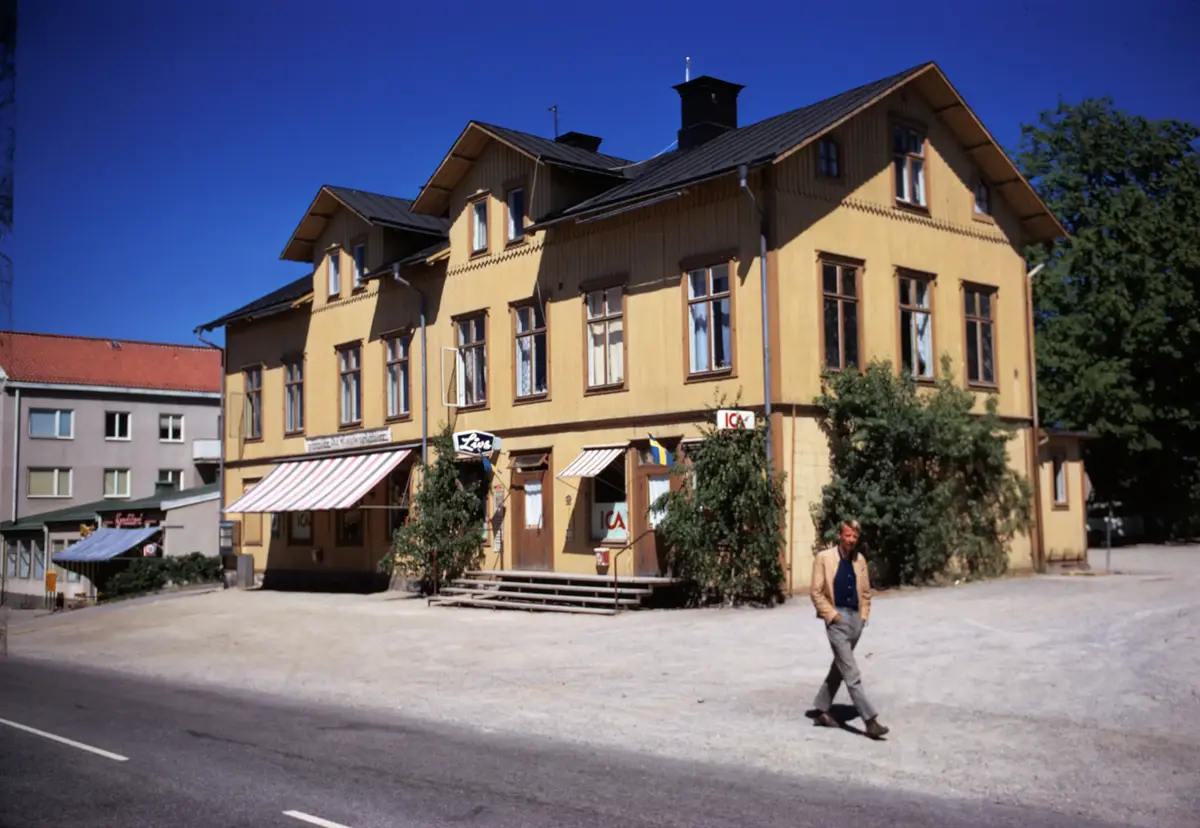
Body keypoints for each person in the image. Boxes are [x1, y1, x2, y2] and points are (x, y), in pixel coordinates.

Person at [810, 519, 889, 739]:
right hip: (836, 619)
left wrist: (863, 617)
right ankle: (870, 721)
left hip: (855, 620)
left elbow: (865, 592)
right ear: (840, 535)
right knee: (851, 672)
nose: (851, 540)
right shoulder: (824, 558)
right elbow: (815, 592)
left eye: (855, 536)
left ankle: (821, 709)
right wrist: (831, 615)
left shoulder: (860, 559)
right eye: (848, 535)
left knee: (840, 667)